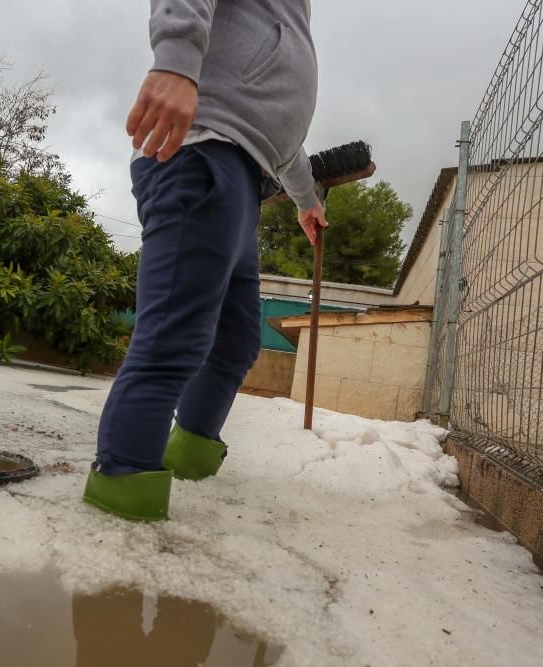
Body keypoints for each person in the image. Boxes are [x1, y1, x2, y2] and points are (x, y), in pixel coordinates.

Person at [84, 0, 326, 521]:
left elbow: (283, 139)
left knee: (236, 341)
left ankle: (186, 462)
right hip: (202, 156)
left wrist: (306, 200)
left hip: (243, 176)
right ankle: (121, 502)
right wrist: (176, 59)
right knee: (174, 337)